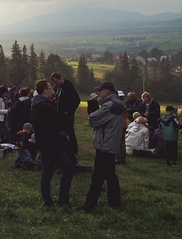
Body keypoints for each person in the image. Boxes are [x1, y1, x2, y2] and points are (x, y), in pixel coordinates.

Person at [80, 82, 125, 213]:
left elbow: (92, 119)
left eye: (100, 91)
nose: (99, 93)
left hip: (105, 145)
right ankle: (115, 202)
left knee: (97, 177)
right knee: (110, 175)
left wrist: (93, 108)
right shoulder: (117, 104)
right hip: (111, 144)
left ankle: (88, 207)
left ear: (107, 91)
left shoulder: (109, 106)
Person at [31, 79, 74, 208]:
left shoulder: (35, 104)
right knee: (68, 169)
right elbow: (58, 124)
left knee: (47, 173)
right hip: (54, 144)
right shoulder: (47, 107)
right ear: (45, 90)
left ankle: (48, 202)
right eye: (50, 88)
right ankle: (63, 199)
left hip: (43, 143)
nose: (52, 90)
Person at [51, 72, 81, 164]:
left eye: (57, 82)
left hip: (67, 115)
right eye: (55, 83)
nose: (57, 84)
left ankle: (74, 153)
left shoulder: (68, 85)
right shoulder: (57, 87)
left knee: (70, 134)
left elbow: (76, 99)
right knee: (60, 134)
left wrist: (69, 110)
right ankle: (63, 151)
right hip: (59, 115)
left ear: (60, 78)